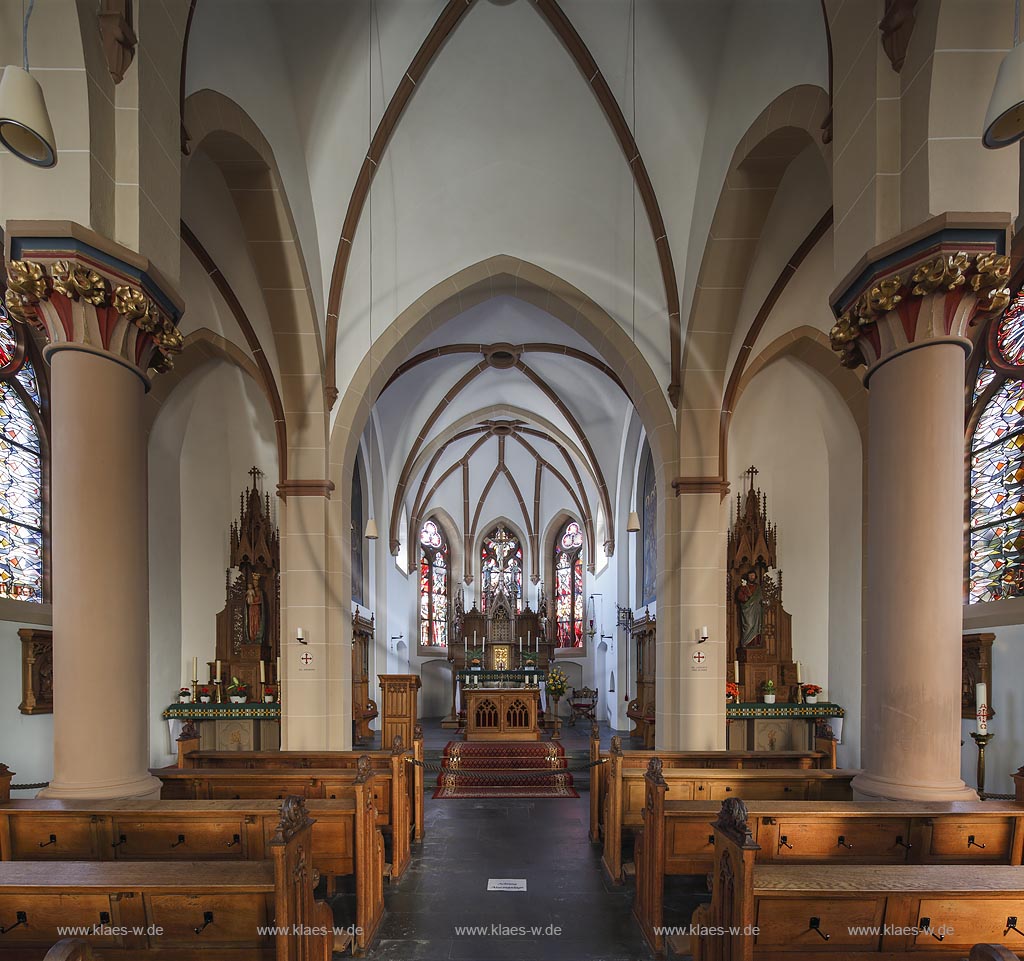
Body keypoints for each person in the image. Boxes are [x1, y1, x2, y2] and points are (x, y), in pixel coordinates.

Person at [736, 570, 762, 648]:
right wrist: (747, 598)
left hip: (756, 610)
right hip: (747, 610)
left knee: (757, 626)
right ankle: (746, 643)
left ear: (755, 577)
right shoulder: (743, 587)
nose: (751, 577)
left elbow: (760, 598)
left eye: (753, 575)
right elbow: (740, 597)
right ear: (747, 577)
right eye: (750, 575)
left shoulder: (758, 588)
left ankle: (755, 644)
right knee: (749, 625)